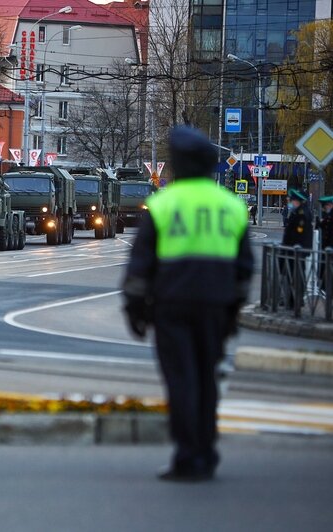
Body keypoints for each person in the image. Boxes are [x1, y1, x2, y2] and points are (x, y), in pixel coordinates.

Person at [122, 126, 253, 482]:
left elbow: (140, 265)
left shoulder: (165, 204)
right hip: (216, 306)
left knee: (181, 379)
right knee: (206, 378)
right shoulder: (232, 205)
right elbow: (244, 268)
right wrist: (234, 308)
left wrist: (134, 309)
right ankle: (206, 451)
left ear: (179, 164)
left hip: (172, 305)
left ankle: (186, 456)